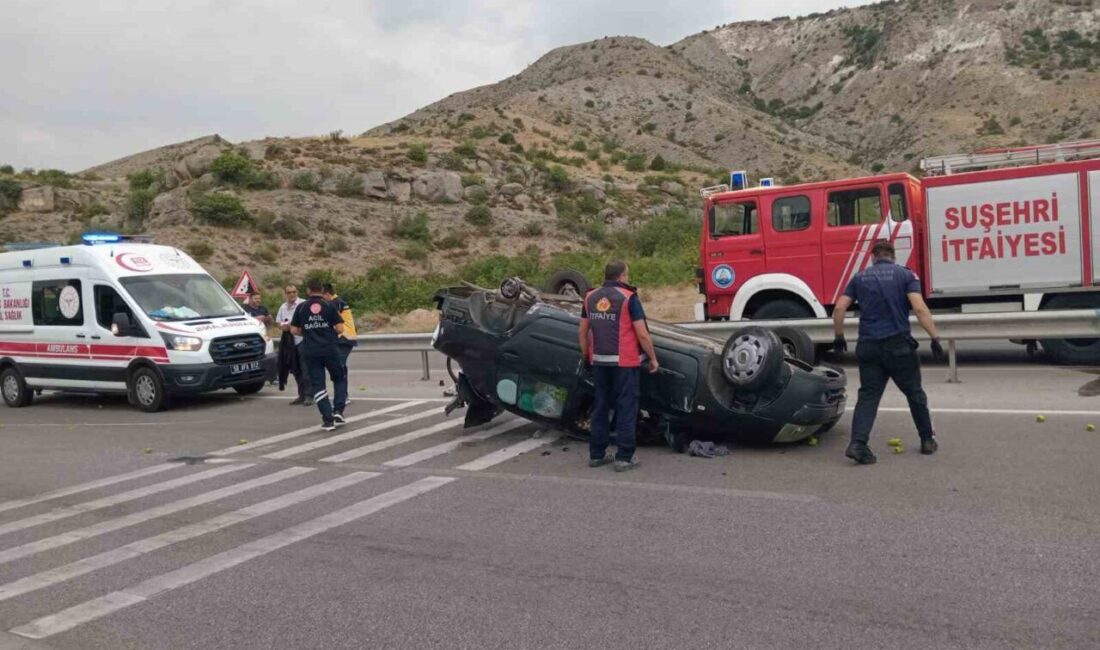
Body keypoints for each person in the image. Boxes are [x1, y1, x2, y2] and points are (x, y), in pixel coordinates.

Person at [832, 240, 945, 465]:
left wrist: (839, 336)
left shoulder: (860, 277)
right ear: (893, 256)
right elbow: (920, 308)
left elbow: (839, 308)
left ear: (873, 257)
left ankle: (858, 444)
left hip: (868, 346)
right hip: (898, 346)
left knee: (868, 396)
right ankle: (927, 440)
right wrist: (934, 337)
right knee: (914, 393)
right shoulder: (906, 276)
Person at [577, 260, 659, 472]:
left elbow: (582, 331)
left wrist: (587, 355)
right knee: (626, 407)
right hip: (625, 362)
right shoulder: (629, 298)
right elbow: (642, 333)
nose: (628, 278)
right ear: (621, 276)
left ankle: (596, 454)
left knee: (601, 406)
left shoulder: (590, 297)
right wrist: (652, 357)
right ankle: (624, 456)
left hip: (600, 361)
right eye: (627, 275)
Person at [291, 278, 348, 431]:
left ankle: (328, 419)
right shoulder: (329, 305)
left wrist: (309, 331)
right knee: (339, 379)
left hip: (311, 351)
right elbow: (340, 329)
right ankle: (338, 411)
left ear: (308, 291)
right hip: (330, 349)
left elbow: (294, 330)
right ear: (322, 290)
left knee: (318, 385)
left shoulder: (301, 308)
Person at [276, 285, 311, 406]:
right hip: (290, 341)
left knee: (305, 368)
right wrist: (283, 326)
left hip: (302, 339)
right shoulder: (283, 307)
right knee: (295, 369)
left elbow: (308, 320)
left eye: (294, 292)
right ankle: (301, 395)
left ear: (297, 292)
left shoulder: (303, 304)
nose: (292, 294)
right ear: (286, 293)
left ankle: (309, 395)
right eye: (289, 292)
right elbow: (278, 322)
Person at [322, 283, 357, 369]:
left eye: (322, 296)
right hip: (345, 337)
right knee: (339, 365)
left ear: (327, 294)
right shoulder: (338, 302)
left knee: (339, 365)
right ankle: (342, 381)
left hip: (344, 337)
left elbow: (330, 320)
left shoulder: (335, 303)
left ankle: (341, 381)